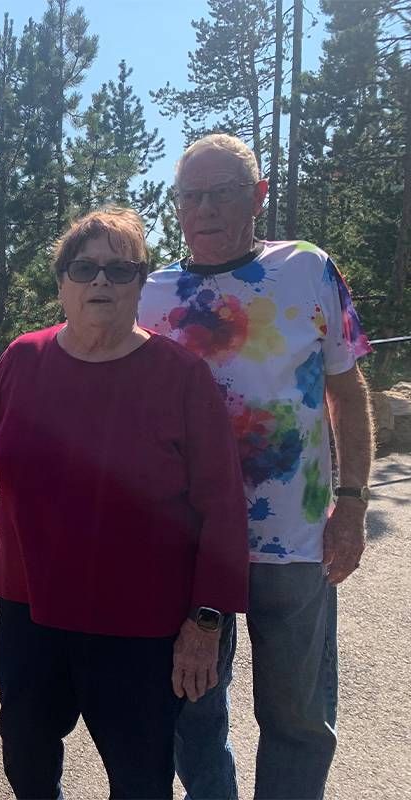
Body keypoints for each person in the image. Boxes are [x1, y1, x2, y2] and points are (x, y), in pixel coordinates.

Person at [0, 207, 249, 800]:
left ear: (140, 284)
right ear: (61, 280)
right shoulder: (25, 360)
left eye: (120, 271)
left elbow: (222, 507)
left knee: (140, 780)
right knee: (28, 764)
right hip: (31, 612)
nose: (100, 283)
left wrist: (207, 621)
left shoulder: (181, 379)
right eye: (85, 267)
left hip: (140, 627)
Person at [138, 134, 373, 800]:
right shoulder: (151, 298)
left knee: (297, 717)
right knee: (192, 709)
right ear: (177, 204)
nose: (205, 209)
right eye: (192, 195)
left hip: (296, 543)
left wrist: (351, 503)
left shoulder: (308, 269)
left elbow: (346, 393)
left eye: (224, 192)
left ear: (259, 195)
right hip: (193, 545)